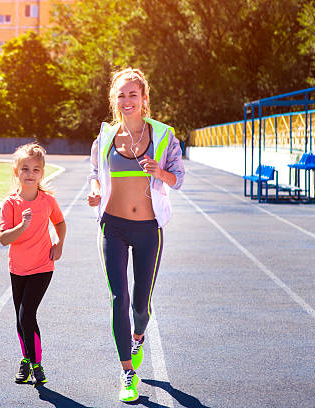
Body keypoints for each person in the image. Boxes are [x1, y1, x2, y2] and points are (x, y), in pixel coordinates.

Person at [87, 68, 185, 402]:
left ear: (144, 99)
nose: (127, 101)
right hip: (112, 227)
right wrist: (95, 190)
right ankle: (128, 372)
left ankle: (139, 335)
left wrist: (161, 172)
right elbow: (94, 175)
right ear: (113, 100)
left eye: (133, 95)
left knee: (140, 305)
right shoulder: (103, 138)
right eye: (121, 95)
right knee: (119, 298)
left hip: (148, 230)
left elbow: (178, 179)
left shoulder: (163, 135)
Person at [0, 143, 67, 386]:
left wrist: (58, 244)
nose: (30, 173)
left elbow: (59, 223)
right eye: (25, 168)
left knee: (27, 314)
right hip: (17, 268)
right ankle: (26, 360)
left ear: (42, 173)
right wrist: (22, 227)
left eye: (36, 169)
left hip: (42, 266)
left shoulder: (47, 201)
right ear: (16, 172)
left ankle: (36, 364)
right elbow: (3, 238)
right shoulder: (10, 204)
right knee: (20, 318)